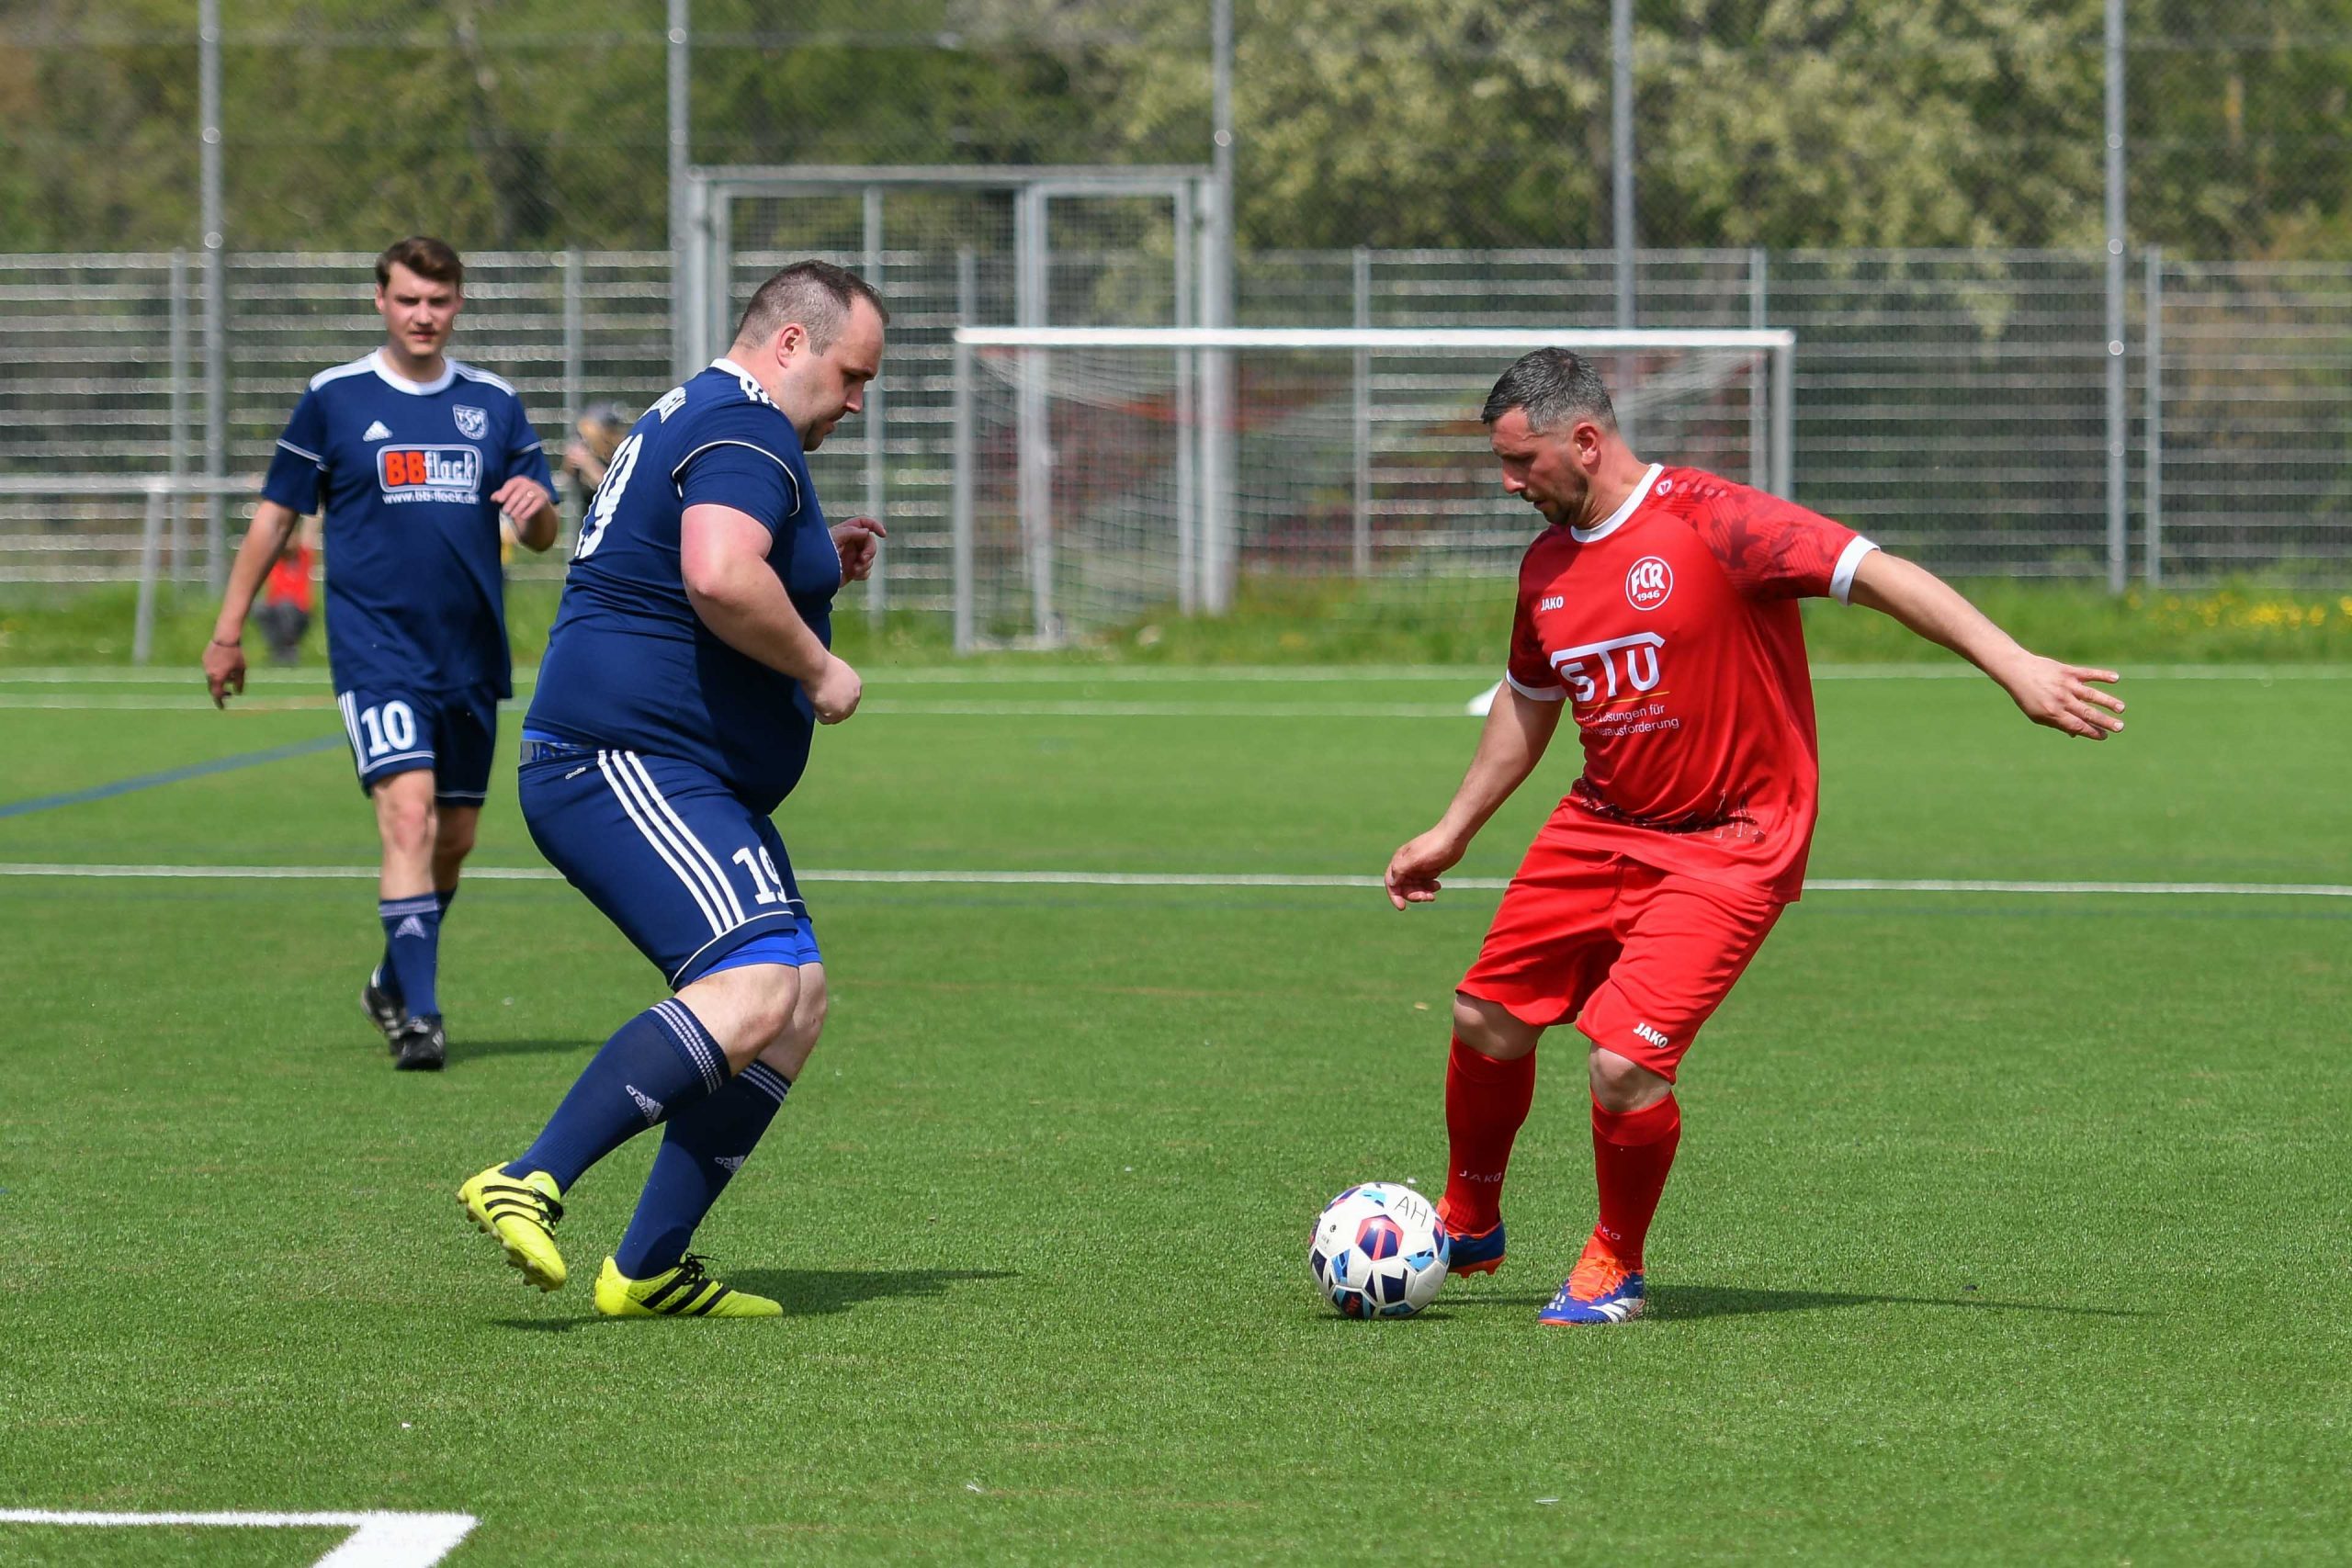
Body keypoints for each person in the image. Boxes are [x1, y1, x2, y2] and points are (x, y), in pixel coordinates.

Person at [1385, 349, 2124, 1325]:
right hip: (1600, 823)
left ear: (1586, 440)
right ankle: (1469, 1218)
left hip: (1730, 843)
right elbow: (1529, 702)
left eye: (1521, 462)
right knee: (1485, 1015)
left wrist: (2012, 663)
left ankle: (1615, 1262)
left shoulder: (1714, 520)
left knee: (1623, 1066)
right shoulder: (1546, 568)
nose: (1510, 484)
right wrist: (1452, 830)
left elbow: (1876, 571)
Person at [457, 260, 888, 1320]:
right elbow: (717, 573)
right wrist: (818, 667)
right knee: (754, 986)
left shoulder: (702, 412)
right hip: (624, 761)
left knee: (795, 1004)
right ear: (790, 344)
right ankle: (531, 1176)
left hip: (664, 767)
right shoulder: (747, 426)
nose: (855, 402)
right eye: (851, 375)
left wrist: (813, 560)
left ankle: (647, 1267)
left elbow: (706, 557)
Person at [204, 235, 560, 1071]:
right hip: (376, 651)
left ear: (458, 303)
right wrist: (228, 630)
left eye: (437, 301)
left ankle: (391, 982)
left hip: (469, 654)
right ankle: (421, 1020)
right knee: (407, 814)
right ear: (380, 301)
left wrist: (538, 508)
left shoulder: (493, 402)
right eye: (407, 299)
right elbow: (276, 517)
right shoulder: (334, 398)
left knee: (455, 837)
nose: (422, 315)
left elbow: (543, 532)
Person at [251, 516, 319, 664]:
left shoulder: (304, 555)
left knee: (285, 606)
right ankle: (278, 650)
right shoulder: (274, 558)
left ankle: (289, 648)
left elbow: (311, 527)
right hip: (276, 609)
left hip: (299, 612)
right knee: (259, 607)